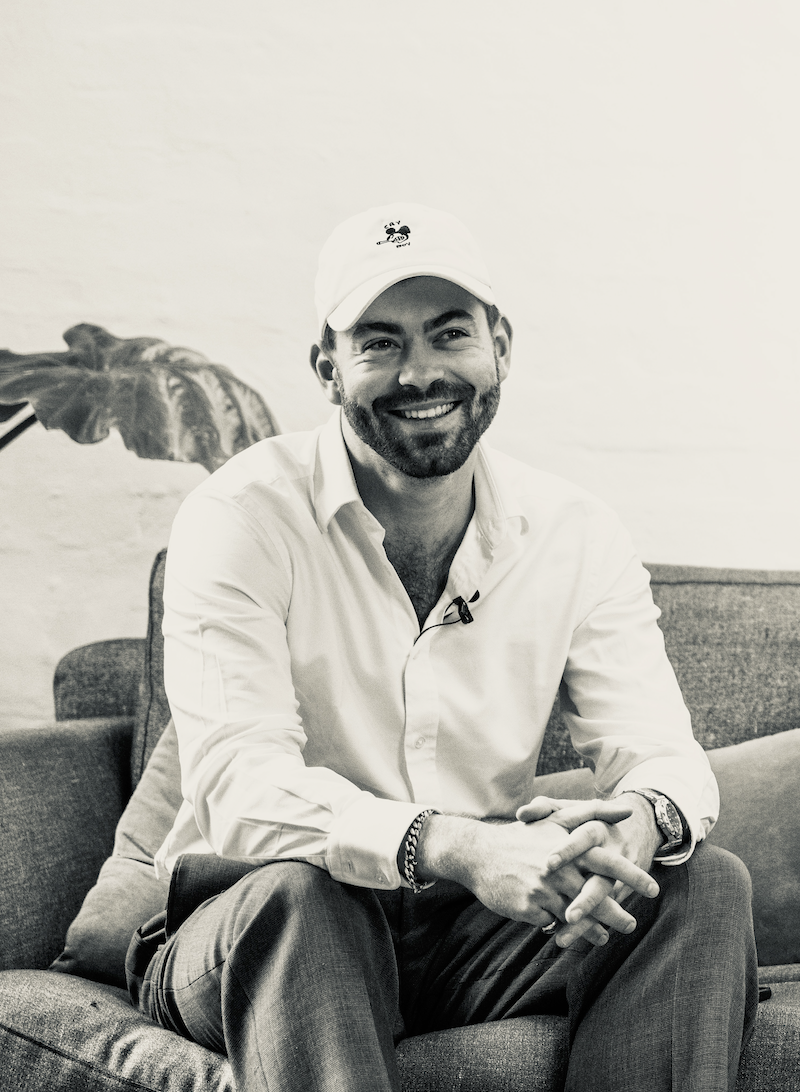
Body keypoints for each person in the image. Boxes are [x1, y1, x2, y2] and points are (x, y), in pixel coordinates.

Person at [135, 203, 758, 1091]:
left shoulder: (574, 532)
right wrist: (457, 846)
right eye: (379, 342)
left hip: (473, 930)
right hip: (254, 924)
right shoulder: (241, 517)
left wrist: (643, 818)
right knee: (303, 896)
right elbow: (239, 788)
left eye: (449, 333)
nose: (420, 371)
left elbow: (660, 750)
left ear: (499, 346)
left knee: (695, 884)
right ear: (328, 368)